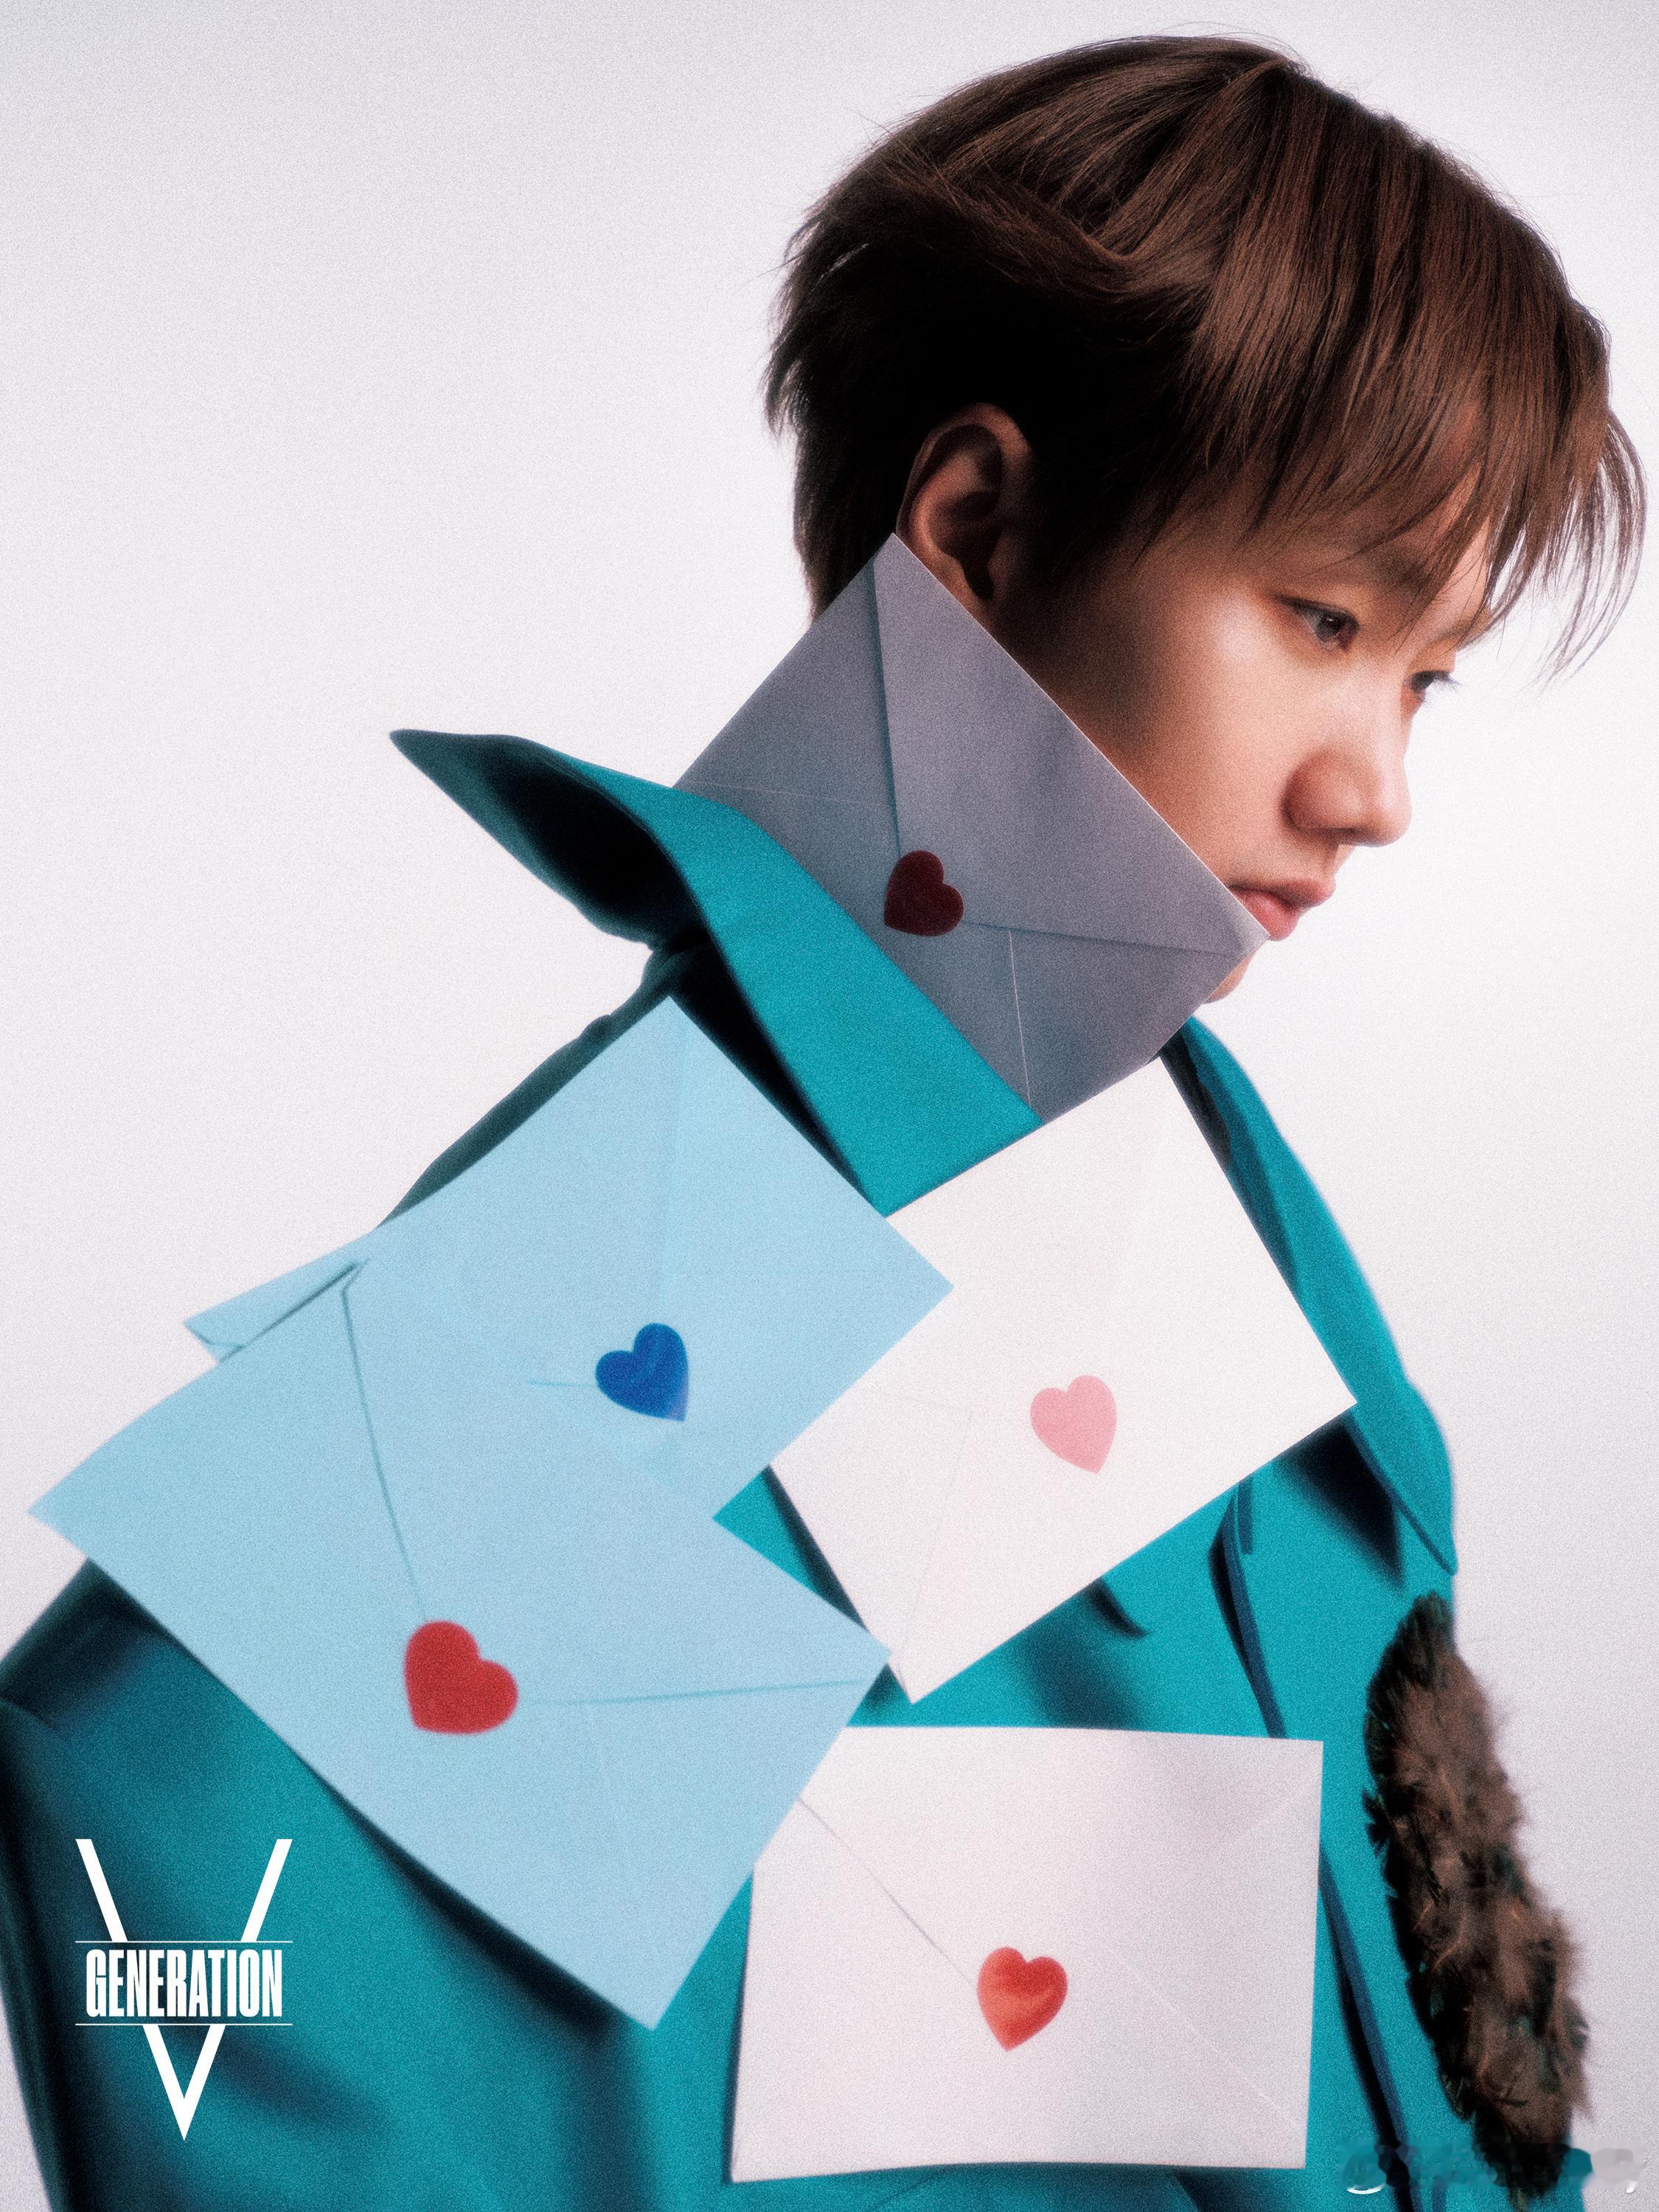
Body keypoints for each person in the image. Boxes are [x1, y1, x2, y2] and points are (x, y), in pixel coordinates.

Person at [0, 33, 1641, 2212]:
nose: (1376, 790)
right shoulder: (688, 1218)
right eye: (1318, 618)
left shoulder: (1204, 1161)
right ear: (975, 528)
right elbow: (154, 1789)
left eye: (1420, 675)